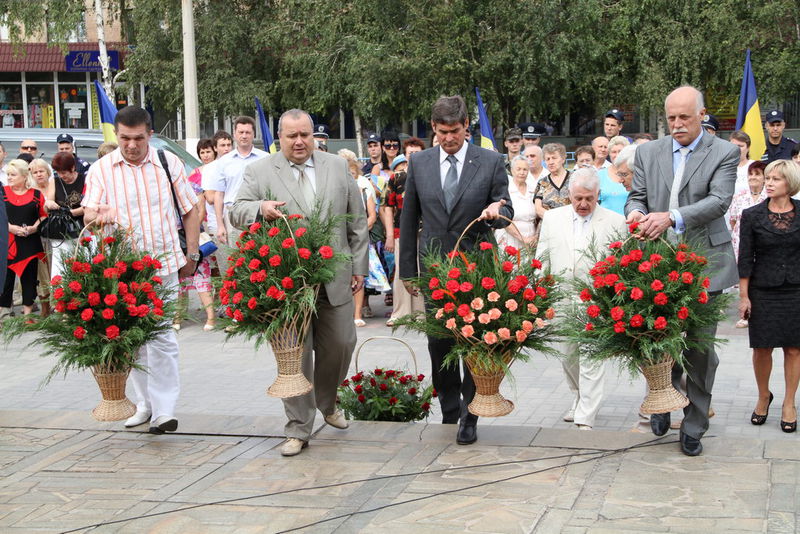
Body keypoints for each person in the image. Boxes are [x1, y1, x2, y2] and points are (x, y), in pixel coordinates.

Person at [230, 109, 369, 457]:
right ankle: (298, 428)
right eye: (291, 136)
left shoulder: (337, 167)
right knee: (295, 357)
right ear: (280, 138)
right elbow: (236, 211)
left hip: (334, 277)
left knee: (341, 343)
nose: (299, 142)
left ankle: (327, 402)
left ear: (314, 135)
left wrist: (359, 267)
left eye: (305, 134)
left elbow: (357, 221)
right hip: (286, 283)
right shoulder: (260, 170)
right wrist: (260, 207)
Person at [625, 85, 739, 456]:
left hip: (706, 262)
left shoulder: (723, 152)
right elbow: (638, 195)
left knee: (700, 348)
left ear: (702, 115)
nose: (676, 125)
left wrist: (670, 217)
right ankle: (664, 394)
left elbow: (719, 201)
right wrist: (636, 213)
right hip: (656, 261)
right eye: (671, 118)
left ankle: (694, 423)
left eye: (684, 117)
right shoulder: (647, 151)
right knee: (659, 339)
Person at [399, 94, 512, 446]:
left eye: (456, 131)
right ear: (433, 128)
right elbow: (408, 219)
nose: (449, 138)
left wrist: (497, 210)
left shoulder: (491, 161)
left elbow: (506, 209)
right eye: (442, 131)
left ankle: (470, 413)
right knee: (439, 343)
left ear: (467, 127)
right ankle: (449, 410)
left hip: (478, 269)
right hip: (434, 268)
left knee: (475, 344)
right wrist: (407, 271)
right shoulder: (419, 164)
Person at [82, 106, 201, 435]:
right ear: (117, 135)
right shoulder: (102, 169)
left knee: (161, 336)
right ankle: (144, 404)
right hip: (122, 271)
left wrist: (192, 251)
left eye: (137, 138)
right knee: (132, 339)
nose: (131, 145)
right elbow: (89, 214)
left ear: (150, 134)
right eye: (124, 138)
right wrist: (98, 217)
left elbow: (191, 209)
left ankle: (165, 411)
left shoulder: (167, 163)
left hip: (163, 265)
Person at [536, 167, 627, 429]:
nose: (583, 204)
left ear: (598, 195)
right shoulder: (553, 218)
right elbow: (542, 258)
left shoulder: (614, 221)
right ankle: (577, 396)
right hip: (561, 297)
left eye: (589, 198)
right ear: (569, 195)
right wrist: (540, 294)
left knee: (591, 356)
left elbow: (618, 265)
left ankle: (586, 414)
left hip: (596, 300)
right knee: (569, 356)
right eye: (578, 198)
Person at [738, 159, 800, 433]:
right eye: (768, 178)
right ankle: (764, 396)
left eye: (776, 179)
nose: (769, 182)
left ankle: (789, 403)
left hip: (796, 290)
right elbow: (745, 258)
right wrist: (744, 296)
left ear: (790, 183)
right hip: (762, 290)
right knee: (762, 347)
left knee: (794, 348)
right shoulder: (752, 215)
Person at [212, 118, 267, 278]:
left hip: (257, 214)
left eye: (248, 132)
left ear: (253, 134)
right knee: (235, 260)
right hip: (232, 215)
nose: (244, 136)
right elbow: (219, 194)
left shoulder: (265, 158)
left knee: (258, 259)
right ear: (235, 134)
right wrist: (220, 225)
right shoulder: (224, 162)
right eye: (241, 132)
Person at [173, 138, 216, 332]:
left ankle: (211, 317)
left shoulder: (194, 187)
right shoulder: (168, 189)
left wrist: (191, 229)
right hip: (175, 238)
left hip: (194, 236)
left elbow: (200, 210)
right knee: (179, 280)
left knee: (201, 277)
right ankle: (177, 316)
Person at [382, 153, 424, 327]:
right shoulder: (396, 178)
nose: (414, 156)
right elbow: (387, 207)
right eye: (410, 153)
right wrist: (390, 235)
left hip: (427, 231)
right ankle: (401, 313)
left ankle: (422, 314)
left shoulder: (429, 176)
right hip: (402, 231)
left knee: (424, 270)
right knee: (402, 270)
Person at [0, 159, 46, 320]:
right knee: (5, 278)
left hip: (30, 241)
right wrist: (9, 227)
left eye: (13, 175)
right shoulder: (2, 192)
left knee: (30, 278)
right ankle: (3, 312)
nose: (9, 178)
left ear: (24, 176)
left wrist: (34, 227)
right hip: (8, 241)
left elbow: (44, 215)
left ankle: (28, 314)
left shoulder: (36, 194)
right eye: (8, 175)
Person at [45, 153, 85, 280]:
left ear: (73, 168)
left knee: (81, 263)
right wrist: (49, 203)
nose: (62, 176)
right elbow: (47, 205)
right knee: (59, 264)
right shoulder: (55, 181)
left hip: (80, 229)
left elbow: (88, 206)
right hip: (60, 230)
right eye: (58, 172)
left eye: (64, 172)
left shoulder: (84, 180)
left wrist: (71, 212)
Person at [729, 160, 767, 264]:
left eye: (757, 174)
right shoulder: (738, 197)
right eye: (750, 174)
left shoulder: (770, 198)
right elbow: (733, 221)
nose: (753, 177)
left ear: (765, 178)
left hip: (762, 245)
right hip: (740, 245)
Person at [29, 158, 53, 317]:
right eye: (35, 172)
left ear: (48, 172)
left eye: (41, 171)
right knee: (41, 273)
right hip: (37, 238)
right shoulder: (30, 191)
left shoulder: (55, 186)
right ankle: (45, 309)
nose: (38, 175)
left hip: (56, 237)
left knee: (55, 271)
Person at [495, 156, 536, 250]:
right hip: (509, 238)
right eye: (518, 169)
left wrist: (534, 238)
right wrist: (523, 238)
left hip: (531, 240)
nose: (522, 172)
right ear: (512, 170)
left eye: (525, 169)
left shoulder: (533, 189)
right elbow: (503, 218)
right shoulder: (505, 190)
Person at [533, 143, 572, 236]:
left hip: (570, 227)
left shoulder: (575, 178)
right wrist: (555, 220)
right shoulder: (542, 182)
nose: (550, 162)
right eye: (547, 159)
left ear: (563, 159)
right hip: (548, 229)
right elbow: (538, 209)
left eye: (554, 158)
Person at [597, 145, 631, 216]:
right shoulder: (599, 174)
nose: (617, 155)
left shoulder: (634, 174)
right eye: (614, 152)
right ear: (609, 153)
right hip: (606, 221)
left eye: (620, 152)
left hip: (629, 220)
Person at [729, 130, 754, 195]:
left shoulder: (755, 167)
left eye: (740, 146)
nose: (736, 149)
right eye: (733, 146)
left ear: (748, 148)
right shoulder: (721, 167)